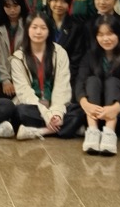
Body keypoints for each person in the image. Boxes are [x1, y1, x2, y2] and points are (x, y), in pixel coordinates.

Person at [76, 14, 120, 154]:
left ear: (118, 34)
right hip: (93, 112)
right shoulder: (90, 55)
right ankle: (92, 131)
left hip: (119, 114)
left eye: (110, 34)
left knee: (113, 81)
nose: (106, 39)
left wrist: (115, 108)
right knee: (92, 80)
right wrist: (85, 104)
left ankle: (109, 133)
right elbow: (80, 82)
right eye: (101, 35)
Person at [10, 12, 74, 140]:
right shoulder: (18, 57)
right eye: (34, 27)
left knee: (79, 111)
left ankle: (42, 131)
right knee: (20, 112)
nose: (38, 32)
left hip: (55, 104)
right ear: (27, 30)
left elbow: (62, 86)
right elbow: (24, 92)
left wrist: (56, 113)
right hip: (33, 107)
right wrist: (46, 114)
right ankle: (64, 128)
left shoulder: (60, 53)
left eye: (43, 28)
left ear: (49, 31)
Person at [0, 0, 28, 99]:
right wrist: (5, 79)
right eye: (8, 6)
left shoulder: (29, 25)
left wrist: (19, 79)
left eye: (15, 6)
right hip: (1, 77)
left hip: (24, 77)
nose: (12, 10)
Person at [49, 0, 88, 74]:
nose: (59, 5)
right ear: (49, 1)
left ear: (69, 4)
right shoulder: (43, 23)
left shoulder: (76, 27)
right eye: (55, 0)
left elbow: (76, 57)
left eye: (63, 1)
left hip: (67, 72)